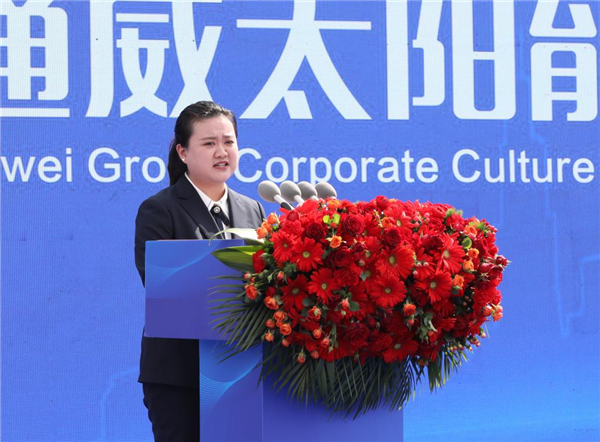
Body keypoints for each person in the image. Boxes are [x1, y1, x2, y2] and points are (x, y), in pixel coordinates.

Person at [134, 101, 266, 441]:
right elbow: (161, 287)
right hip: (180, 375)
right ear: (183, 152)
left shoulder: (253, 209)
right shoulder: (159, 210)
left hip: (240, 370)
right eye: (209, 143)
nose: (222, 152)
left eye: (229, 141)